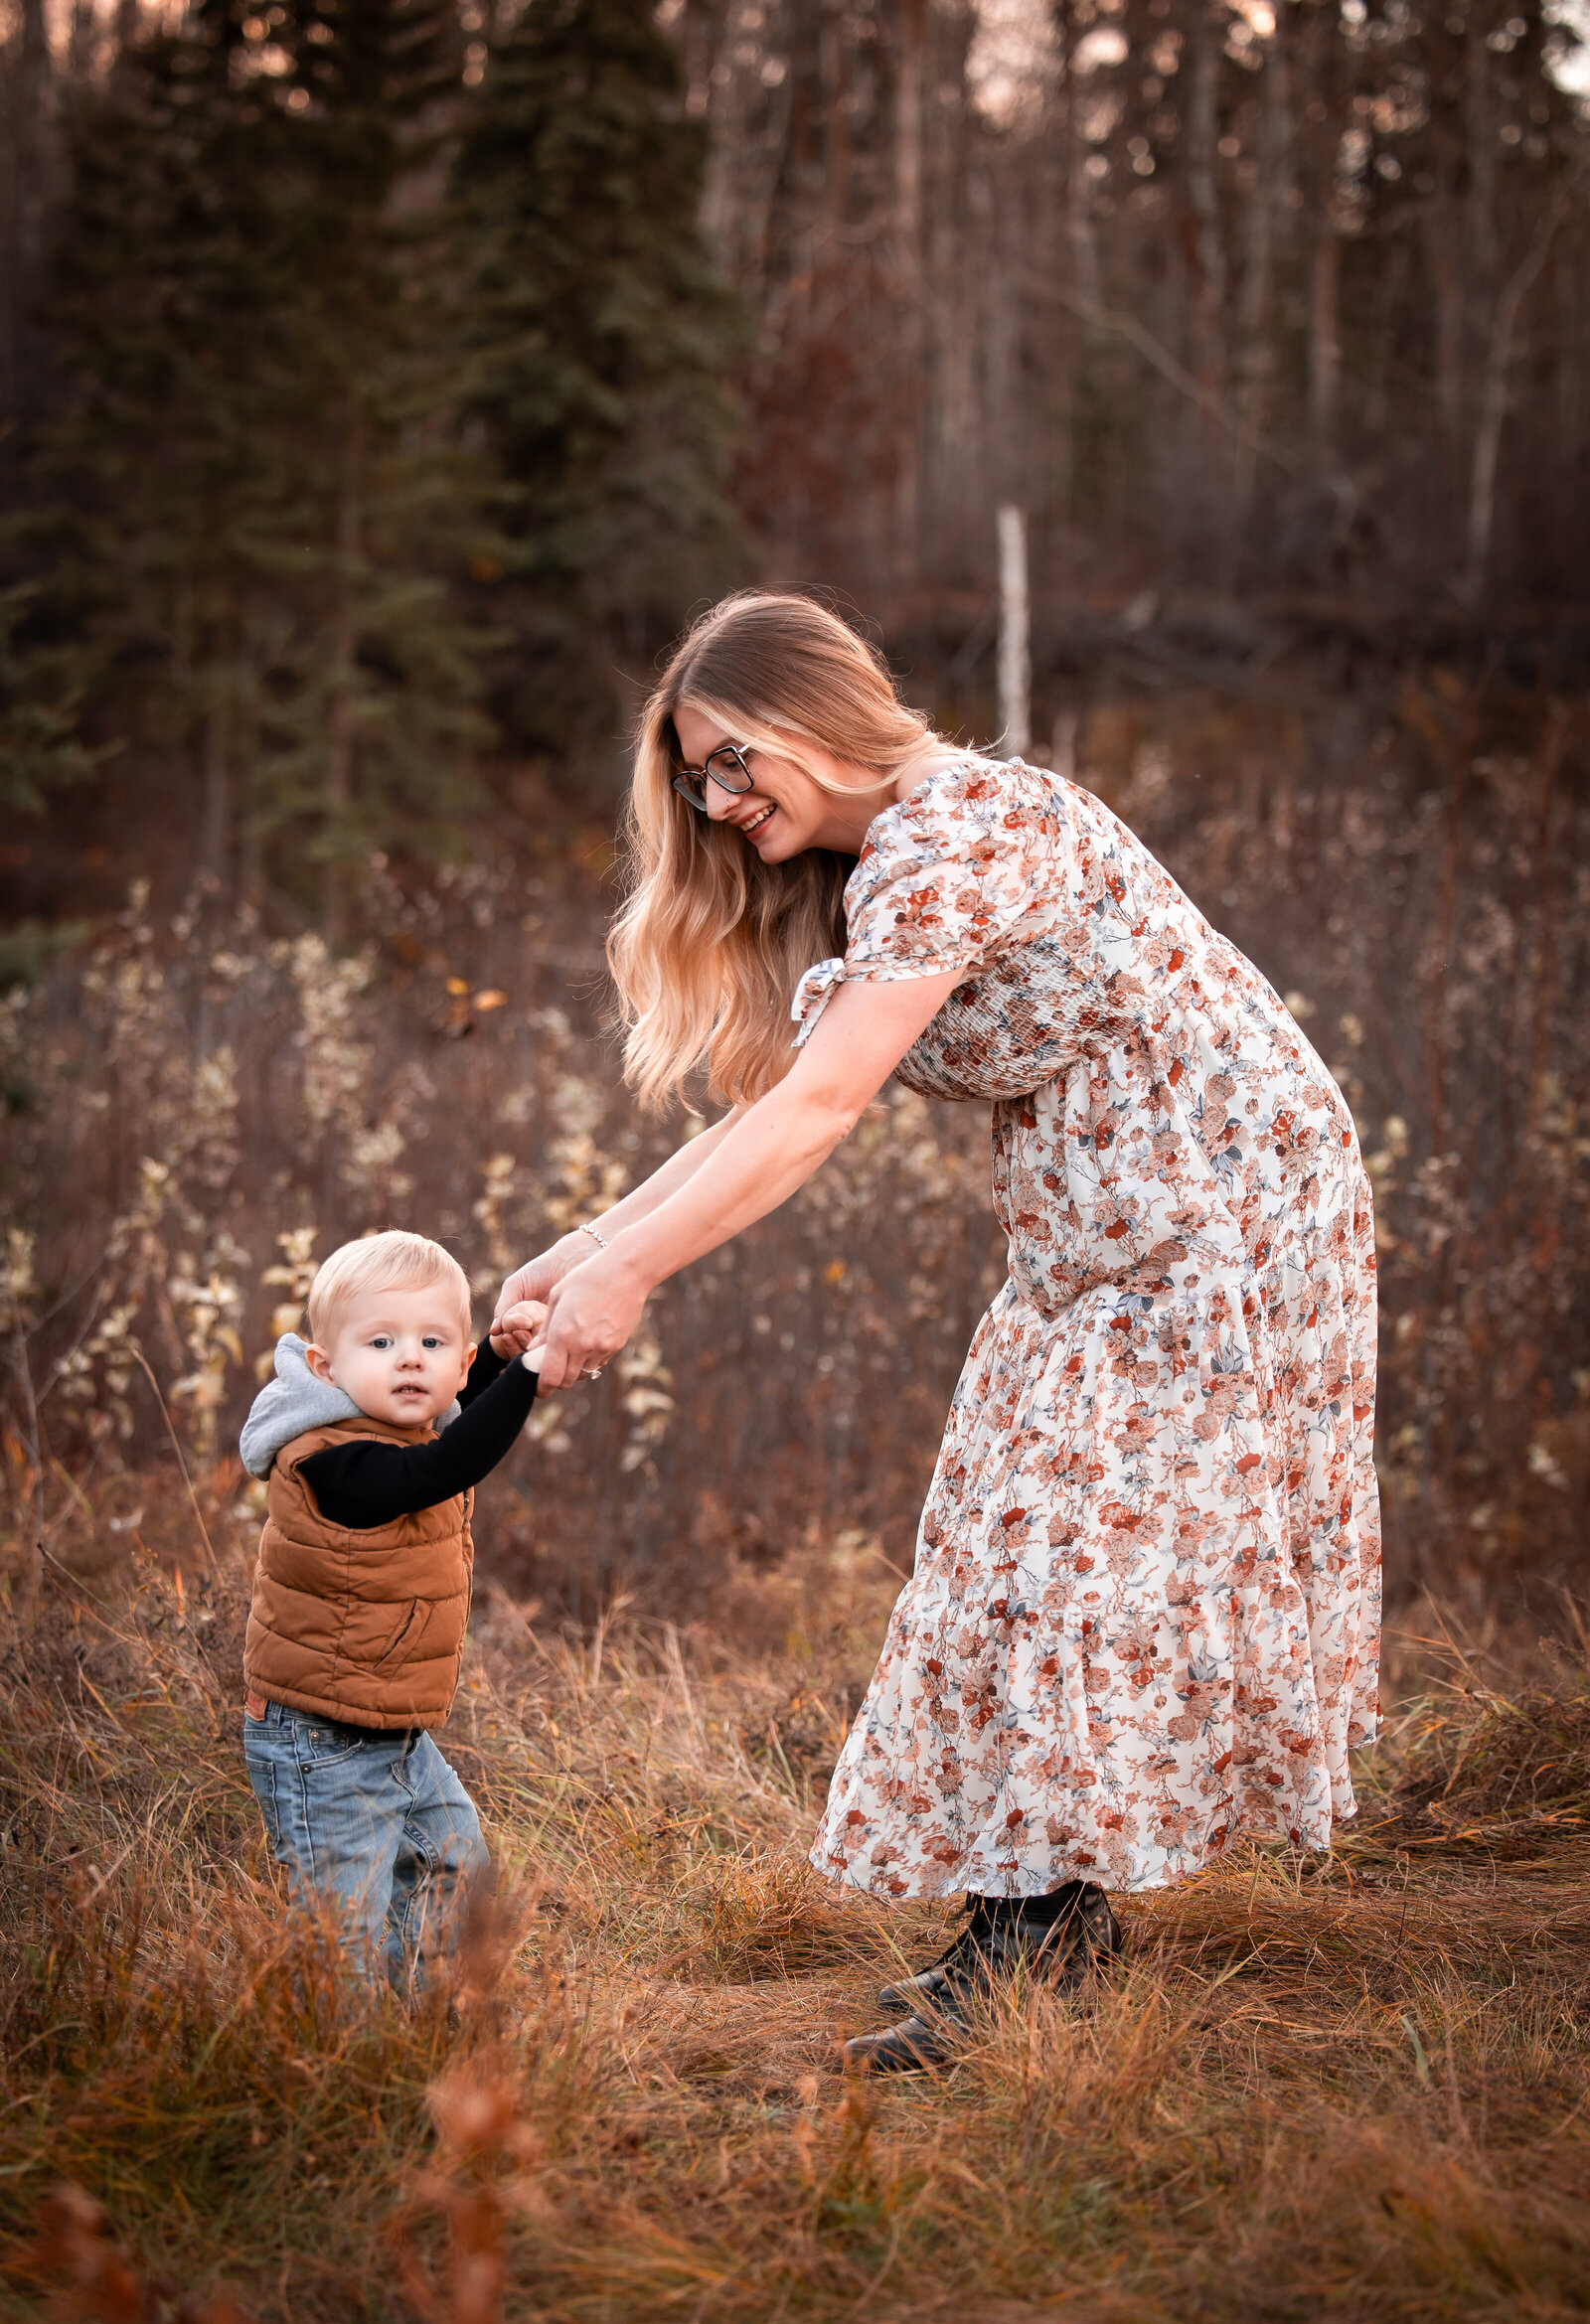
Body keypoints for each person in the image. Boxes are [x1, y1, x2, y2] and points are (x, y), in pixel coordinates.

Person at [493, 591, 1381, 2071]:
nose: (718, 804)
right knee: (1003, 1539)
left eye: (730, 762)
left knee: (1057, 1549)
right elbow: (769, 1103)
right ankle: (1037, 1934)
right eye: (698, 780)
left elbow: (826, 1111)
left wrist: (632, 1277)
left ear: (811, 714)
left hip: (1223, 1219)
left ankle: (1034, 1951)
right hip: (1096, 1238)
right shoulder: (874, 866)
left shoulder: (957, 832)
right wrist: (589, 1247)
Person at [239, 1229, 545, 1995]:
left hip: (394, 1729)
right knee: (341, 1932)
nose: (410, 1358)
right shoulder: (325, 1457)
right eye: (381, 1340)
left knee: (457, 1874)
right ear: (326, 1366)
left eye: (433, 1341)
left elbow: (442, 1423)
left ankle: (421, 2039)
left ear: (458, 1362)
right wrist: (531, 1375)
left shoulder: (391, 1421)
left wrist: (501, 1360)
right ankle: (338, 2075)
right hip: (319, 1737)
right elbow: (436, 1468)